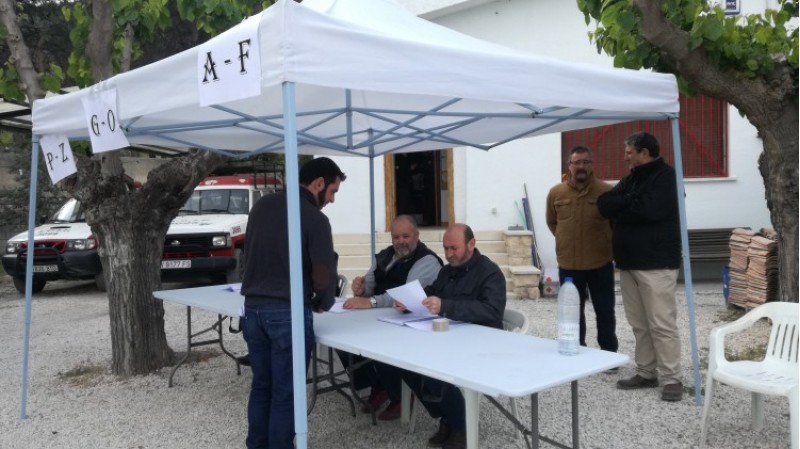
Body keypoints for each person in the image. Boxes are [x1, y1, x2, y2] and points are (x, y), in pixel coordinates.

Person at [240, 157, 346, 449]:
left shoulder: (261, 206)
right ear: (319, 183)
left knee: (261, 386)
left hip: (252, 308)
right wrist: (323, 301)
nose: (332, 200)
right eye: (333, 192)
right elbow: (323, 275)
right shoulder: (315, 218)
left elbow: (248, 254)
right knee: (286, 392)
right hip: (286, 311)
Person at [392, 223, 506, 449]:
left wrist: (445, 306)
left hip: (482, 343)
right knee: (404, 361)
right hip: (448, 337)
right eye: (446, 248)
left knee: (434, 367)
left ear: (471, 244)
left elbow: (492, 311)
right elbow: (433, 292)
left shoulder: (490, 273)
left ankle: (461, 425)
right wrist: (410, 302)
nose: (449, 254)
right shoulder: (447, 271)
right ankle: (448, 415)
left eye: (454, 248)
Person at [597, 131, 683, 402]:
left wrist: (623, 204)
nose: (625, 157)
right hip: (629, 264)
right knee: (639, 324)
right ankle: (646, 372)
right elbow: (604, 205)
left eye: (629, 152)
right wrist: (629, 202)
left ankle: (672, 378)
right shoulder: (632, 178)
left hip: (657, 264)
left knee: (661, 323)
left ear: (644, 152)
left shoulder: (667, 178)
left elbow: (650, 211)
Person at [339, 215, 443, 420]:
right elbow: (370, 283)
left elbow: (406, 294)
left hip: (411, 322)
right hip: (383, 316)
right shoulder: (385, 256)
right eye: (396, 237)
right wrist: (361, 288)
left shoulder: (427, 260)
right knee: (343, 337)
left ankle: (400, 394)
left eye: (406, 236)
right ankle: (378, 384)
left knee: (381, 343)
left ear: (417, 236)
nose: (400, 241)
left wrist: (371, 301)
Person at [546, 146, 619, 357]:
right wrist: (566, 240)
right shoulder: (556, 193)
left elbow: (615, 224)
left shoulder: (606, 191)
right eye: (576, 162)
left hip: (600, 264)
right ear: (569, 166)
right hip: (569, 265)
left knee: (604, 311)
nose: (581, 166)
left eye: (585, 162)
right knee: (572, 313)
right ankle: (577, 351)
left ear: (591, 165)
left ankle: (609, 353)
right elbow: (552, 222)